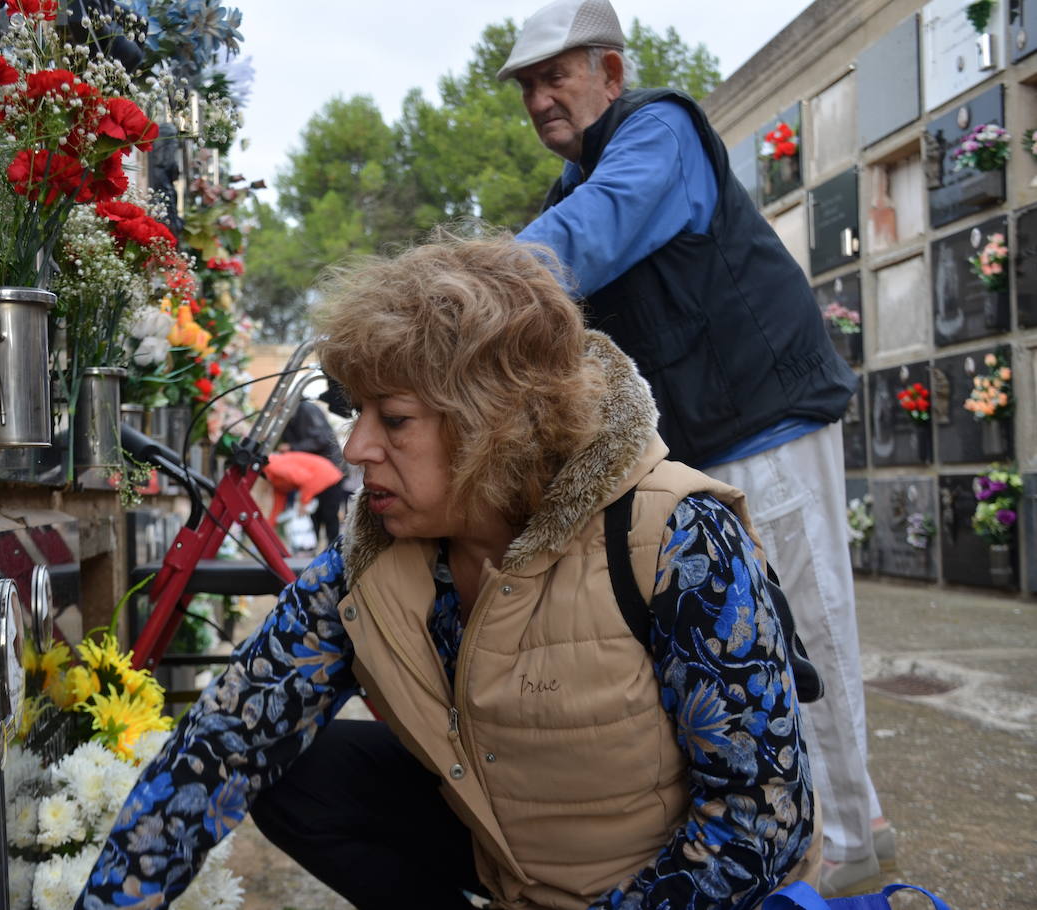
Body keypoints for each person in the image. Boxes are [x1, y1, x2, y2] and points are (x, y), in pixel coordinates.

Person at [75, 233, 820, 910]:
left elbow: (764, 816)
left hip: (663, 891)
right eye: (356, 413)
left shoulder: (674, 535)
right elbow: (226, 739)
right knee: (304, 774)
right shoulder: (372, 559)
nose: (356, 448)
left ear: (494, 420)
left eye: (392, 419)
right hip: (515, 862)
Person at [497, 0, 889, 896]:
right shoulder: (573, 185)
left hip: (767, 427)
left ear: (611, 72)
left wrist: (456, 287)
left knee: (808, 639)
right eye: (528, 86)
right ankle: (806, 849)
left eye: (557, 75)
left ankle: (854, 858)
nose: (541, 100)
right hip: (705, 452)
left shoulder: (657, 132)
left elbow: (590, 235)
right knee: (754, 654)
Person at [278, 398, 350, 545]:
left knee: (329, 514)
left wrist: (292, 447)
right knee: (316, 515)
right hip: (317, 471)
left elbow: (321, 439)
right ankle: (318, 547)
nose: (277, 410)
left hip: (330, 471)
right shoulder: (292, 417)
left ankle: (332, 549)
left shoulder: (305, 409)